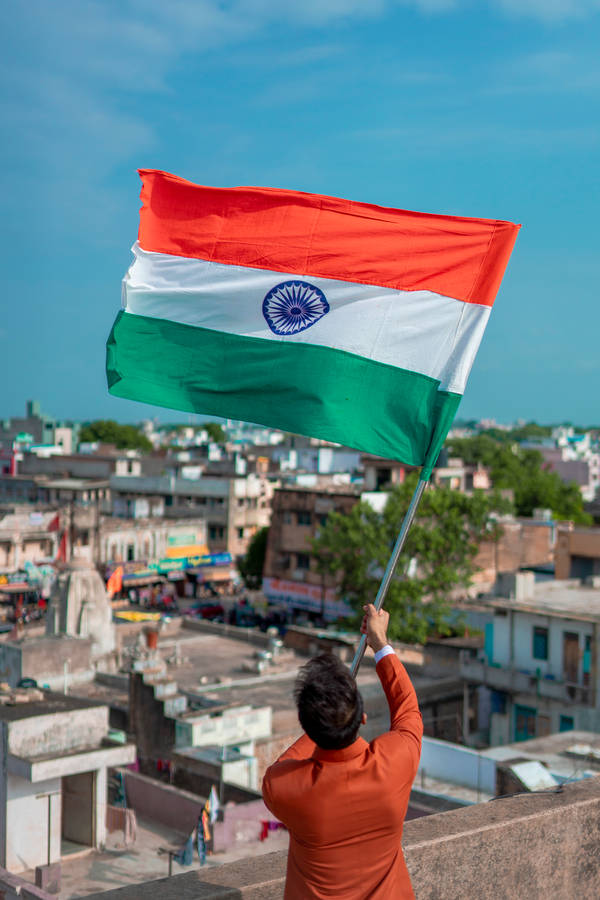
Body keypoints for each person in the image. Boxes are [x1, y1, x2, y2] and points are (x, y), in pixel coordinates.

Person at [262, 603, 423, 899]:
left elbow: (282, 766)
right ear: (362, 718)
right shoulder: (395, 762)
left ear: (307, 727)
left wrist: (321, 723)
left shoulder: (284, 788)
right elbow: (407, 709)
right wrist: (380, 643)